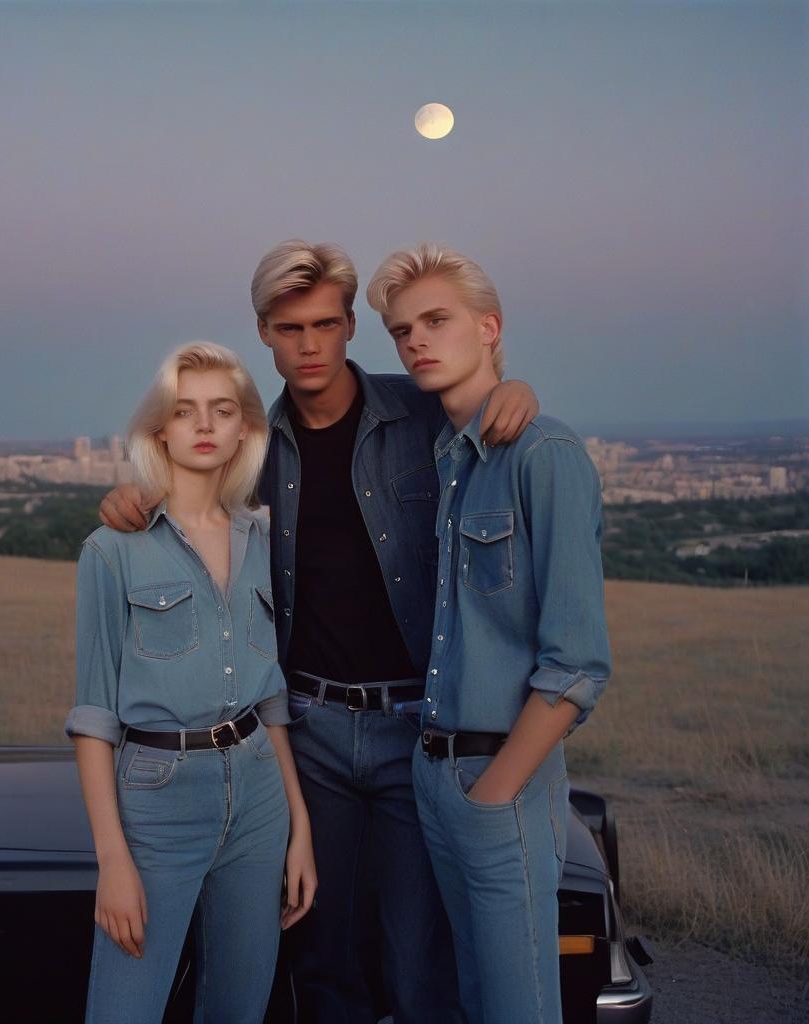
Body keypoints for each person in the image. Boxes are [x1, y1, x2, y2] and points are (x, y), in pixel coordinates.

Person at [99, 240, 540, 1024]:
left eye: (326, 325)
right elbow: (183, 494)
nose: (310, 345)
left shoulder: (420, 413)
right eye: (290, 327)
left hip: (417, 727)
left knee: (417, 962)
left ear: (348, 328)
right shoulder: (251, 446)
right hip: (308, 730)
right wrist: (130, 497)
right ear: (264, 332)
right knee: (322, 957)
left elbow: (485, 407)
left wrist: (522, 393)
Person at [367, 243, 611, 1024]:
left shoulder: (547, 455)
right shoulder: (446, 459)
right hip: (432, 774)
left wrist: (495, 793)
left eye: (436, 320)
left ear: (490, 326)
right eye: (402, 331)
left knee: (518, 1006)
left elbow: (576, 665)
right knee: (471, 999)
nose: (416, 342)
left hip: (497, 781)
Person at [66, 342, 316, 1024]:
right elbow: (93, 717)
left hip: (259, 796)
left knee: (239, 1008)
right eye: (185, 411)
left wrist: (298, 826)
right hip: (157, 803)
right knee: (124, 1010)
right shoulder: (111, 550)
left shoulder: (265, 541)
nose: (204, 425)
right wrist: (113, 860)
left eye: (222, 410)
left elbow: (271, 698)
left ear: (244, 429)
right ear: (160, 430)